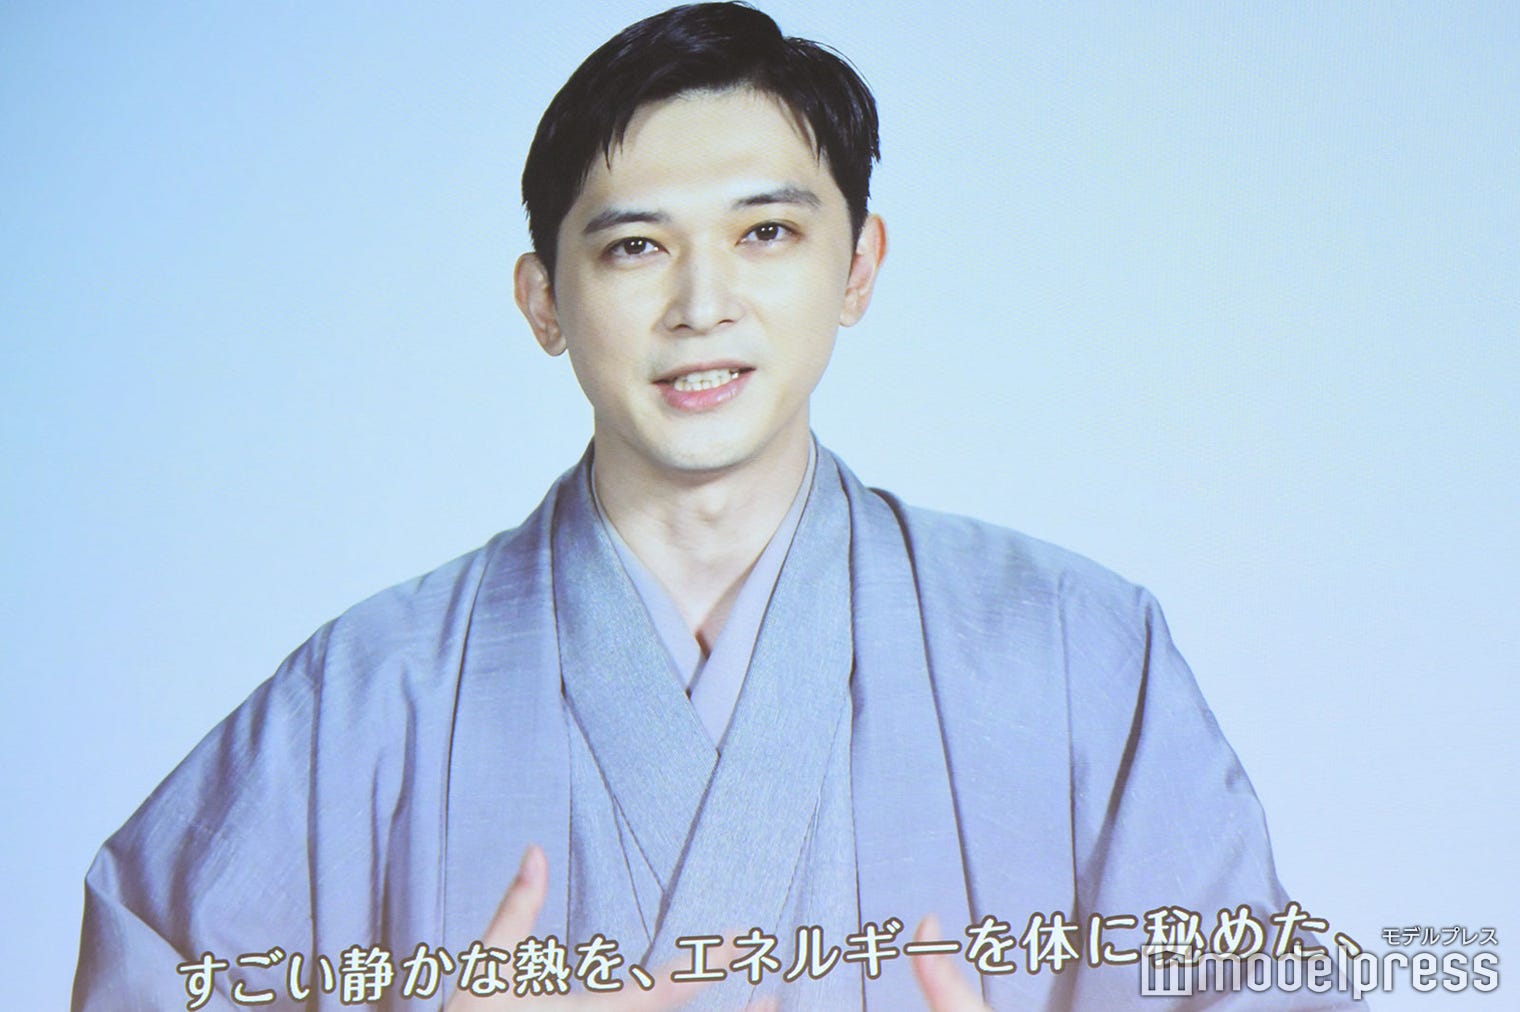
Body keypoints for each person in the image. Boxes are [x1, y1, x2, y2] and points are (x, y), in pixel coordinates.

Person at [73, 4, 1351, 1009]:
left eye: (765, 234)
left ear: (857, 268)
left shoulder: (1076, 652)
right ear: (542, 300)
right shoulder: (367, 698)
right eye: (634, 245)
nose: (700, 304)